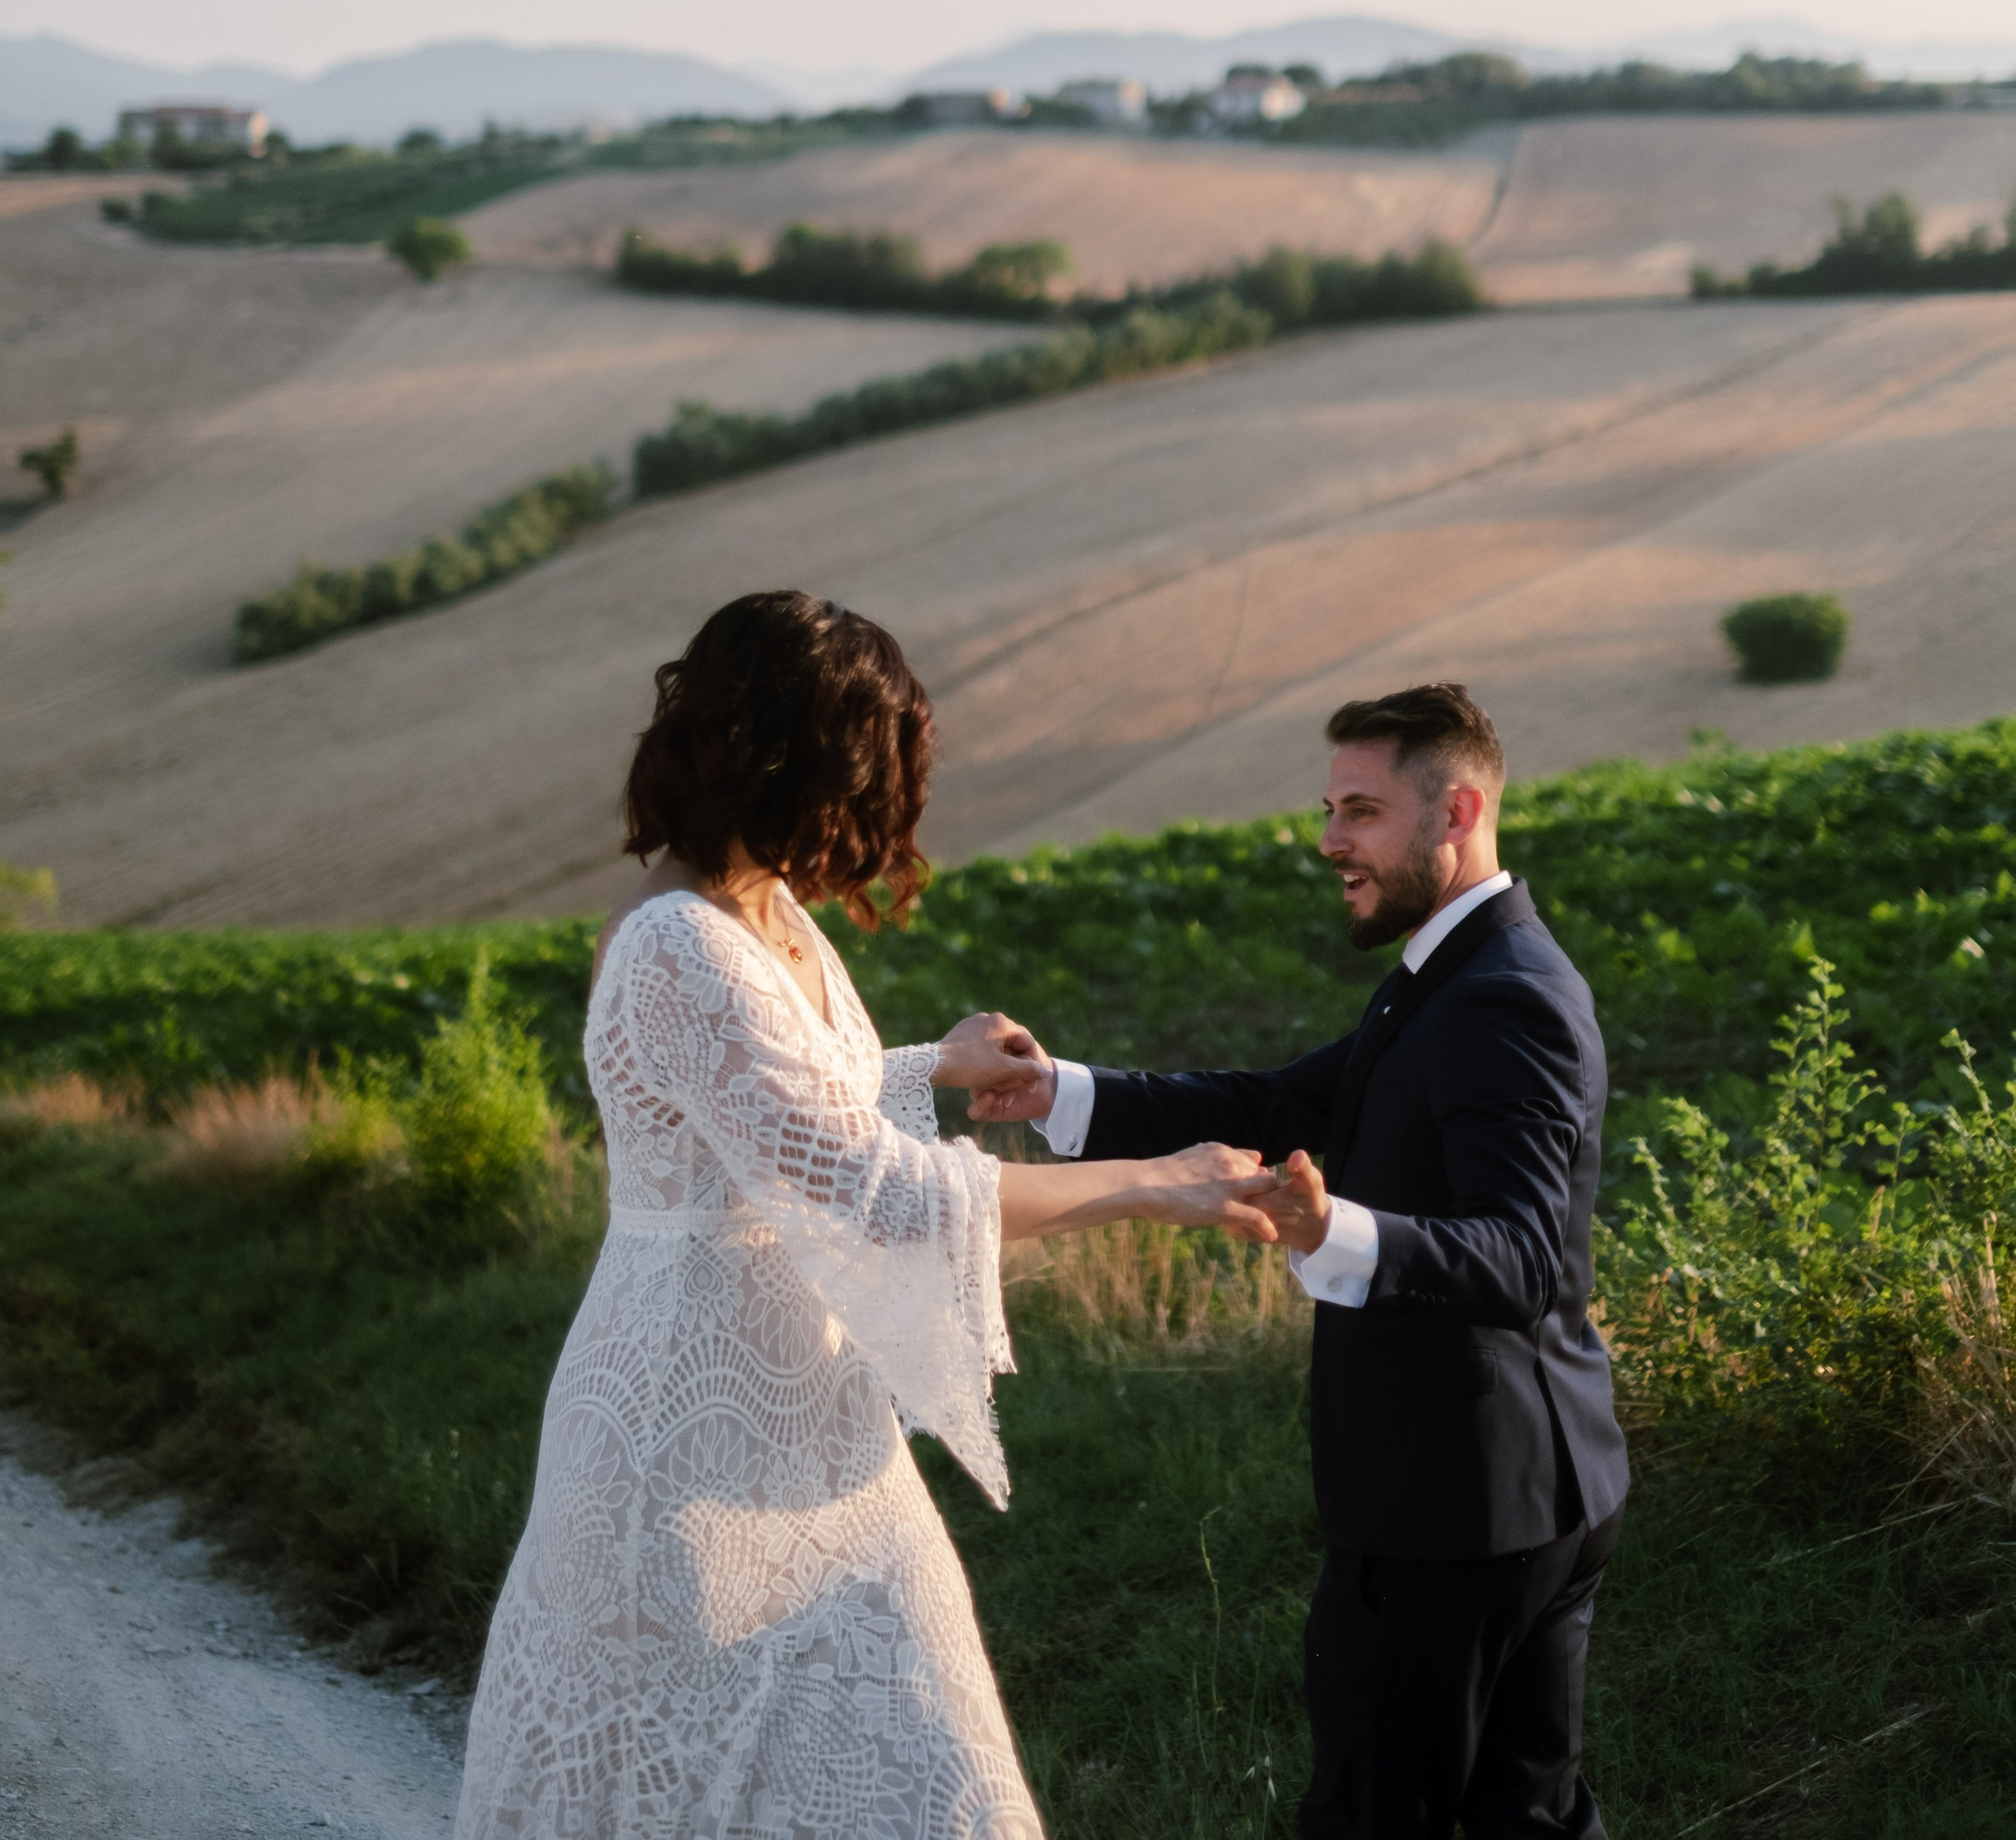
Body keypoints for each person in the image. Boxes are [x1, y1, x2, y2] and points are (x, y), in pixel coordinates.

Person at [454, 590, 1275, 1840]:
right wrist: (1157, 1184)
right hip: (688, 1442)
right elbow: (877, 1192)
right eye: (867, 783)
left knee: (950, 1786)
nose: (882, 821)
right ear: (783, 761)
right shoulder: (676, 942)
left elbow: (781, 1108)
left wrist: (923, 1067)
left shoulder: (764, 913)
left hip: (823, 1431)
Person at [969, 681, 1629, 1840]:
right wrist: (1063, 1091)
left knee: (1379, 1812)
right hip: (1533, 1486)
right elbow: (1279, 1100)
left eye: (1362, 811)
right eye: (1330, 809)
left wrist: (1339, 1234)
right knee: (1526, 1818)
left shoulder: (1505, 998)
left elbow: (1526, 1256)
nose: (1330, 840)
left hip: (1457, 1508)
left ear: (1457, 809)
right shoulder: (1450, 974)